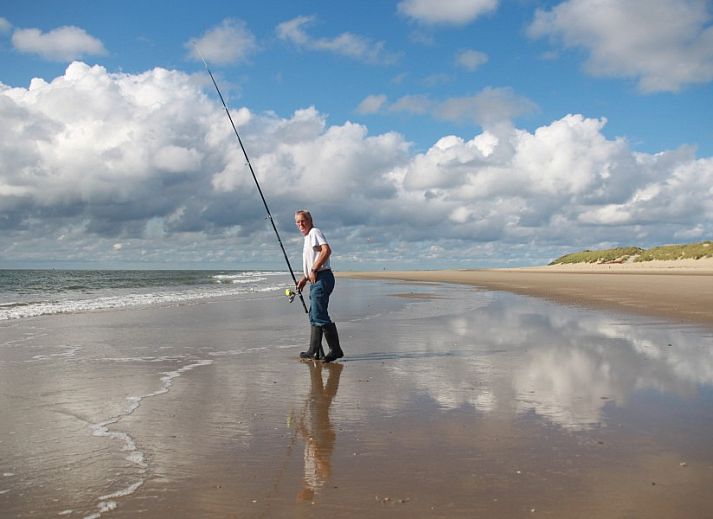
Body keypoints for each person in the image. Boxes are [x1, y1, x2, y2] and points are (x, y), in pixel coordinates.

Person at [295, 210, 343, 362]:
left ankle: (335, 350)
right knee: (314, 314)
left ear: (310, 220)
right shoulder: (308, 237)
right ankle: (315, 350)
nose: (300, 224)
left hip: (323, 277)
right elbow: (313, 262)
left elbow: (326, 250)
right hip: (317, 279)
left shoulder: (315, 232)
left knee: (319, 314)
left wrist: (314, 269)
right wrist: (304, 278)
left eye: (303, 220)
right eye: (297, 222)